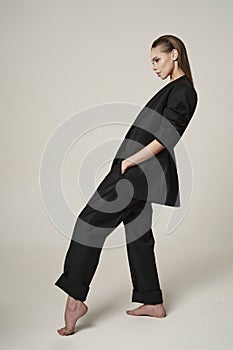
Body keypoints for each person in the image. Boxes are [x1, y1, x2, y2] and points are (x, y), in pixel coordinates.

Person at [54, 34, 198, 336]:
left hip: (136, 174)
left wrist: (131, 161)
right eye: (151, 63)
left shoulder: (183, 92)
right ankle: (152, 300)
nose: (154, 67)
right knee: (138, 233)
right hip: (143, 176)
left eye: (157, 60)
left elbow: (167, 137)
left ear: (174, 54)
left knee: (87, 224)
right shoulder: (174, 89)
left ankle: (74, 301)